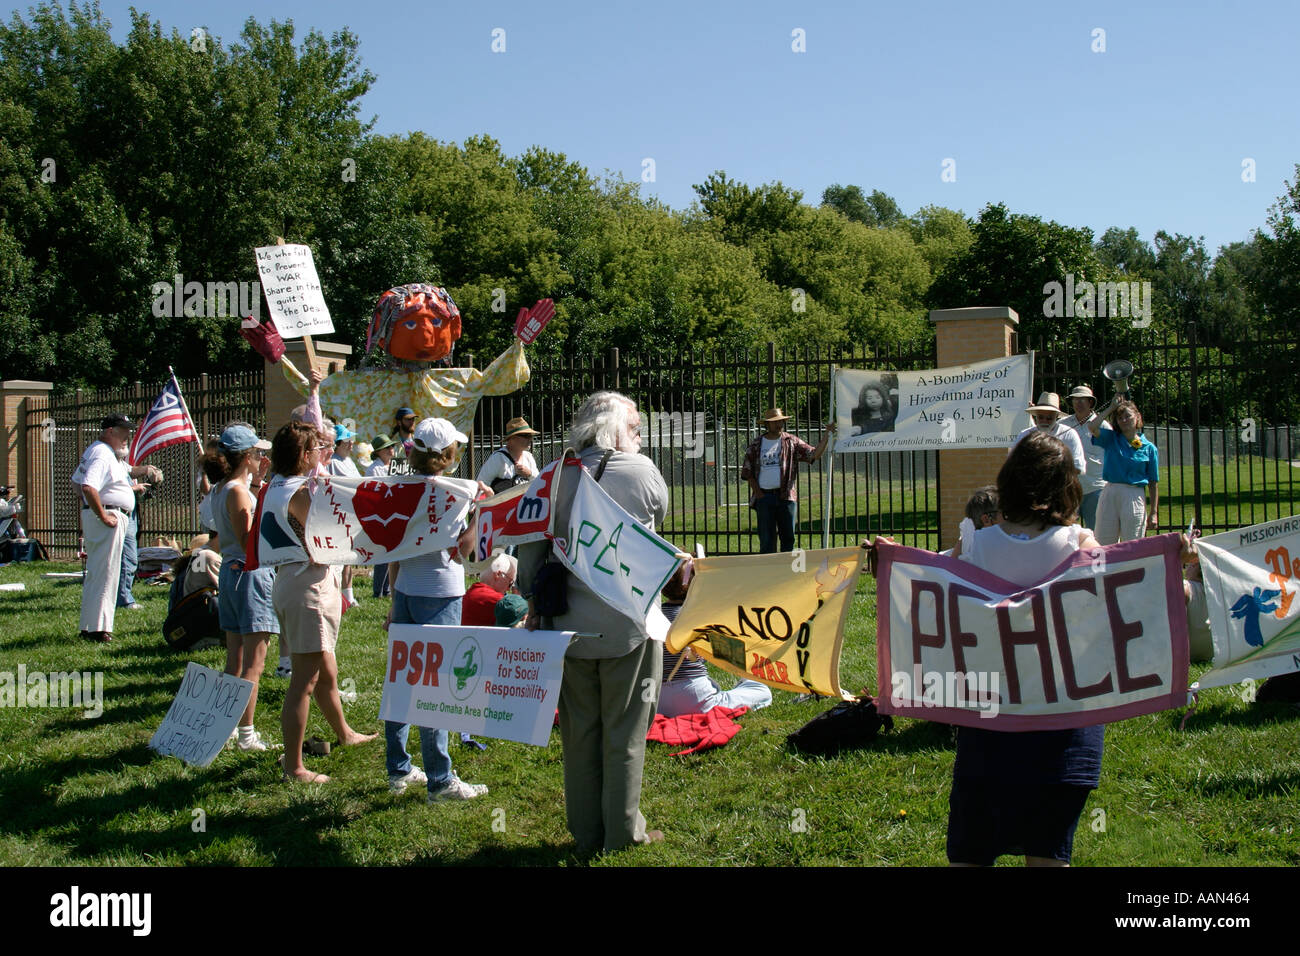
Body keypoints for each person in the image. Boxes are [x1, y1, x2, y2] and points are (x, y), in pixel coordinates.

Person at [518, 390, 669, 852]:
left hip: (567, 630)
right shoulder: (642, 472)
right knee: (624, 734)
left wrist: (535, 601)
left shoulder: (548, 478)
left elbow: (527, 565)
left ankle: (585, 834)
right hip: (630, 626)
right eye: (636, 428)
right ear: (614, 430)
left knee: (580, 735)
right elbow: (658, 528)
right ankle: (623, 834)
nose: (640, 438)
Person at [947, 429, 1103, 866]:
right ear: (1067, 485)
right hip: (1065, 720)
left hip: (991, 720)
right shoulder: (1082, 546)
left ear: (1009, 482)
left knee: (972, 851)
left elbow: (941, 600)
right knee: (1049, 852)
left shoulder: (974, 545)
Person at [383, 417, 488, 802]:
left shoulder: (399, 487)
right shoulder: (459, 493)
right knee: (436, 688)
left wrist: (395, 599)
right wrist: (478, 510)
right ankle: (440, 780)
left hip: (408, 589)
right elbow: (465, 550)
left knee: (402, 681)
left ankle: (398, 769)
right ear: (446, 455)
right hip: (441, 593)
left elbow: (394, 549)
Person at [268, 421, 377, 783]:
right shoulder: (299, 491)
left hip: (292, 583)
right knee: (305, 681)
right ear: (302, 455)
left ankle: (345, 734)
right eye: (316, 450)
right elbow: (325, 534)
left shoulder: (275, 486)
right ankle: (294, 766)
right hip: (308, 588)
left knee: (326, 668)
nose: (322, 455)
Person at [207, 424, 278, 751]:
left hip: (231, 575)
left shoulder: (223, 487)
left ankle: (227, 726)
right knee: (254, 664)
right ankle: (247, 734)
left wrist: (259, 485)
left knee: (234, 660)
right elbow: (250, 540)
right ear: (247, 456)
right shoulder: (237, 490)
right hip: (249, 575)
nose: (262, 457)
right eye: (257, 453)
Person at [71, 413, 156, 643]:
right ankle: (99, 629)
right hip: (108, 517)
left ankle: (90, 627)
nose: (127, 436)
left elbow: (77, 482)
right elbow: (88, 486)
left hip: (104, 514)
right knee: (107, 574)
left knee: (99, 574)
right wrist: (103, 513)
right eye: (123, 431)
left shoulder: (104, 453)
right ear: (110, 431)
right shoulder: (102, 452)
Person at [657, 557, 772, 719]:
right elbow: (732, 654)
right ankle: (744, 685)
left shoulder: (654, 616)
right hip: (694, 696)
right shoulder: (698, 617)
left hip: (657, 699)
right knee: (761, 690)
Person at [740, 407, 833, 554]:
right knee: (766, 540)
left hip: (787, 497)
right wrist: (758, 493)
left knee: (788, 538)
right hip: (764, 497)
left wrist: (828, 434)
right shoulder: (756, 444)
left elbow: (814, 454)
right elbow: (747, 471)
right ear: (767, 424)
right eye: (775, 422)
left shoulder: (792, 441)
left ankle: (786, 571)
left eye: (781, 421)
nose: (779, 424)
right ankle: (769, 572)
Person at [1086, 399, 1159, 546]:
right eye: (1120, 418)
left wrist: (1154, 512)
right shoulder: (1111, 438)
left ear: (1137, 417)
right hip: (1110, 491)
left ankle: (1130, 569)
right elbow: (1092, 427)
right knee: (1103, 541)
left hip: (1133, 494)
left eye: (1128, 416)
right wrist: (1111, 408)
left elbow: (1153, 482)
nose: (1124, 420)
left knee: (1132, 542)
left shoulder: (1149, 448)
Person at [1058, 385, 1110, 528]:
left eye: (1082, 400)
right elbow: (1044, 433)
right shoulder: (1063, 424)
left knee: (1098, 532)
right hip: (1069, 488)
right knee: (1064, 532)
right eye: (1075, 400)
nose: (1078, 404)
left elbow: (1111, 454)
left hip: (1095, 487)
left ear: (1090, 403)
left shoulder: (1103, 425)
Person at [1011, 392, 1086, 476]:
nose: (1044, 421)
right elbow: (1012, 463)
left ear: (1057, 416)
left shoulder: (1069, 434)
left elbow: (1078, 467)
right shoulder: (1025, 435)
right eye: (1041, 417)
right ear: (1036, 415)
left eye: (1049, 418)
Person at [328, 423, 362, 607]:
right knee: (340, 557)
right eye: (348, 441)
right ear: (339, 443)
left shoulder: (348, 462)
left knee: (349, 556)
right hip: (339, 514)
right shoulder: (333, 462)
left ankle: (348, 595)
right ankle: (339, 594)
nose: (351, 444)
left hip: (351, 512)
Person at [365, 434, 400, 598]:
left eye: (392, 446)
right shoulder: (373, 469)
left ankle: (386, 589)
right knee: (382, 553)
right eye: (387, 447)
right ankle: (378, 590)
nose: (391, 450)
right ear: (379, 451)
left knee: (391, 552)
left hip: (393, 512)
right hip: (380, 514)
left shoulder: (394, 466)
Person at [476, 416, 539, 493]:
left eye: (531, 436)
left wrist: (530, 474)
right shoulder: (498, 458)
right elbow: (481, 484)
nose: (530, 439)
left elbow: (539, 483)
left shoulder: (528, 457)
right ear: (512, 438)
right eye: (526, 436)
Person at [462, 551, 517, 626]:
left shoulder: (472, 592)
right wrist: (517, 595)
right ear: (498, 574)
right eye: (510, 583)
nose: (508, 589)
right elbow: (522, 611)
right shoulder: (494, 599)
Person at [388, 406, 417, 476]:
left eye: (413, 419)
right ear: (399, 422)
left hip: (418, 481)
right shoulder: (391, 444)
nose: (412, 422)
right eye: (408, 419)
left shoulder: (420, 442)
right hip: (400, 483)